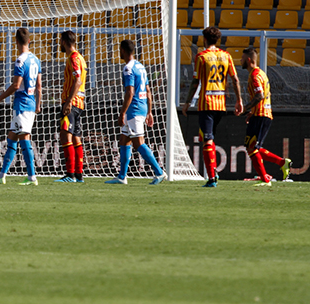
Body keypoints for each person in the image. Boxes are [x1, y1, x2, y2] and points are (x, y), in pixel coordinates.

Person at [181, 26, 243, 188]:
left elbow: (195, 82)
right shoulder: (226, 56)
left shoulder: (201, 57)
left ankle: (212, 177)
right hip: (221, 105)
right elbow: (235, 80)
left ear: (205, 39)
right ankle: (213, 172)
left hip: (206, 104)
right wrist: (239, 100)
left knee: (207, 140)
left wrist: (187, 102)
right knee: (209, 139)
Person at [105, 40, 166, 185]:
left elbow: (130, 92)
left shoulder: (128, 68)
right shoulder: (140, 66)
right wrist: (149, 112)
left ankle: (159, 172)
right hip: (142, 106)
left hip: (134, 109)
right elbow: (148, 91)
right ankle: (122, 177)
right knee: (124, 140)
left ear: (123, 50)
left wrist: (122, 113)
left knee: (138, 143)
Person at [0, 28, 41, 186]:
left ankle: (32, 177)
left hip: (22, 103)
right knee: (12, 137)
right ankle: (1, 176)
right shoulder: (36, 59)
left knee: (24, 138)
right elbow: (39, 86)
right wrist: (38, 105)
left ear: (16, 41)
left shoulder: (20, 60)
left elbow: (16, 85)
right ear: (29, 41)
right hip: (31, 103)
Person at [238, 48, 292, 186]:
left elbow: (260, 96)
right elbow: (268, 94)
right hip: (260, 114)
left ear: (248, 60)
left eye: (242, 58)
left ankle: (265, 178)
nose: (240, 60)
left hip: (261, 115)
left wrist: (246, 108)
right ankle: (281, 163)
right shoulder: (262, 73)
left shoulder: (255, 75)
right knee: (252, 147)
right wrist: (252, 112)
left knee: (252, 148)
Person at [54, 30, 88, 183]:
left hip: (72, 102)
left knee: (65, 135)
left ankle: (70, 175)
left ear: (63, 42)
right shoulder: (81, 57)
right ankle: (79, 174)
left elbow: (78, 81)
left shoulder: (73, 58)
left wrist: (68, 102)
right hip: (80, 102)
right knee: (76, 137)